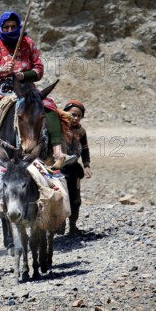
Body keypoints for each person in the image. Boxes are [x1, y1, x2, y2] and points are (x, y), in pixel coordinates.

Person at [0, 11, 63, 165]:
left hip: (25, 87)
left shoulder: (28, 43)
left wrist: (24, 75)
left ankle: (58, 151)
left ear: (19, 27)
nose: (10, 30)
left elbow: (39, 69)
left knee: (49, 105)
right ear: (1, 27)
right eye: (6, 27)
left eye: (13, 26)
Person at [60, 100, 92, 236]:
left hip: (74, 169)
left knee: (75, 199)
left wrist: (86, 165)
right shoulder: (60, 128)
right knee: (60, 197)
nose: (76, 118)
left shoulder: (81, 131)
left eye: (79, 116)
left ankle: (73, 226)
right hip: (59, 168)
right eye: (73, 114)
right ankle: (59, 224)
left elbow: (85, 149)